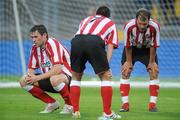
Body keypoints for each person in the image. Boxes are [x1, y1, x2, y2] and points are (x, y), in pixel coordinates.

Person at [70, 6, 121, 119]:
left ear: (96, 14)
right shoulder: (110, 22)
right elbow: (110, 46)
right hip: (94, 41)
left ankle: (75, 112)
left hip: (76, 41)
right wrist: (106, 66)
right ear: (108, 16)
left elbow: (80, 35)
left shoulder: (86, 19)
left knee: (76, 76)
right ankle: (107, 113)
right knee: (106, 77)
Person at [19, 25, 73, 114]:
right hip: (50, 79)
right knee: (23, 80)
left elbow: (57, 69)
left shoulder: (52, 43)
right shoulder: (34, 48)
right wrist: (30, 77)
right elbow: (31, 69)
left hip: (68, 78)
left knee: (54, 78)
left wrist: (36, 78)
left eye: (36, 37)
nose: (33, 40)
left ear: (44, 35)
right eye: (32, 37)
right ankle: (52, 103)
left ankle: (69, 105)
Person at [119, 8, 160, 112]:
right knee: (125, 72)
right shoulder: (128, 26)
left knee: (153, 72)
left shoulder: (155, 27)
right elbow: (127, 45)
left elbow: (153, 45)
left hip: (147, 50)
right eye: (140, 23)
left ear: (149, 20)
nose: (142, 26)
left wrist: (151, 62)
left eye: (144, 24)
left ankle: (152, 105)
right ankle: (125, 104)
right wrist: (128, 62)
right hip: (132, 49)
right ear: (136, 19)